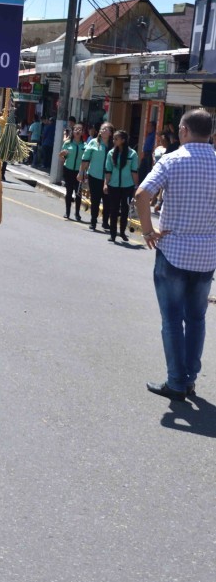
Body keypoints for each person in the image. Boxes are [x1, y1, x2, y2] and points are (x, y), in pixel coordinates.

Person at [135, 108, 216, 401]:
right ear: (211, 133)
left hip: (173, 253)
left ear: (183, 130)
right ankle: (190, 379)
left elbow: (142, 195)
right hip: (207, 256)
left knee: (171, 320)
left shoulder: (172, 160)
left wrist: (148, 231)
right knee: (196, 319)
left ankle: (176, 382)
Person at [104, 130, 139, 243]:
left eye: (116, 139)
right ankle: (113, 234)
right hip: (113, 185)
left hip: (127, 186)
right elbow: (108, 170)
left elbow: (134, 172)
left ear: (123, 140)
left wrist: (136, 187)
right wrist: (106, 184)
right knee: (113, 210)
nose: (114, 141)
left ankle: (122, 232)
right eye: (113, 139)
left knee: (125, 210)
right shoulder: (110, 153)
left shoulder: (132, 154)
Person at [79, 122, 114, 231]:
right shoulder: (94, 142)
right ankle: (93, 221)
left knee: (108, 201)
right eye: (102, 128)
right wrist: (81, 172)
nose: (103, 130)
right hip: (95, 176)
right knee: (95, 200)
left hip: (109, 178)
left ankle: (105, 222)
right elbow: (85, 158)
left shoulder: (113, 145)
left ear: (111, 133)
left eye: (106, 129)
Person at [59, 124, 86, 220]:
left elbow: (86, 161)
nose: (78, 131)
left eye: (80, 129)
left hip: (79, 172)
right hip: (68, 170)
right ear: (73, 132)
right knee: (69, 192)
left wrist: (84, 172)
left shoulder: (85, 145)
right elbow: (62, 158)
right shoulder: (67, 143)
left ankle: (77, 213)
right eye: (76, 129)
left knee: (78, 194)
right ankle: (67, 212)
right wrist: (61, 155)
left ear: (82, 132)